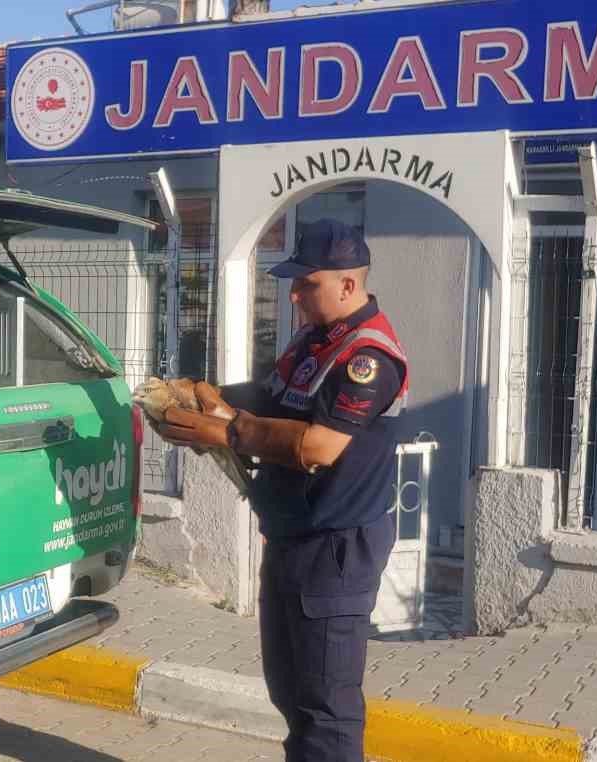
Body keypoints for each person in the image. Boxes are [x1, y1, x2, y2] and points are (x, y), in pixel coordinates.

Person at [156, 218, 408, 762]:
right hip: (294, 536)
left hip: (336, 546)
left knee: (326, 709)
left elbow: (319, 446)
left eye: (306, 283)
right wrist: (209, 394)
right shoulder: (315, 341)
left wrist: (226, 431)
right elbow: (273, 398)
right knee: (291, 694)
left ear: (347, 284)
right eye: (293, 282)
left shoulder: (368, 357)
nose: (293, 293)